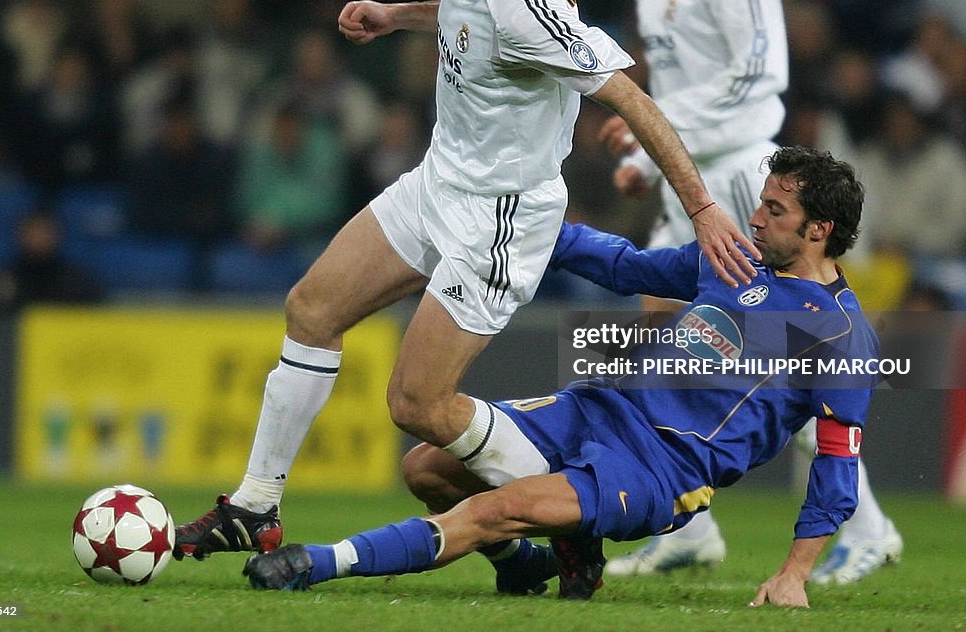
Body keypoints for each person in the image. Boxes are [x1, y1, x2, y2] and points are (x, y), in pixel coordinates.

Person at [172, 0, 759, 578]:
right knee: (312, 308)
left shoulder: (527, 6)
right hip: (438, 181)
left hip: (501, 216)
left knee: (418, 403)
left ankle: (568, 514)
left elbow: (630, 96)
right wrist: (398, 15)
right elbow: (465, 13)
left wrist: (700, 206)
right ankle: (256, 508)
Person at [243, 146, 877, 609]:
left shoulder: (842, 334)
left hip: (662, 469)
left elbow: (836, 464)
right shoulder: (732, 262)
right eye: (761, 203)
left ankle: (316, 563)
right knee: (426, 469)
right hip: (595, 411)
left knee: (495, 508)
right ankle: (530, 566)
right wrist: (533, 225)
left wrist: (795, 571)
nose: (757, 218)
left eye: (775, 209)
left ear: (819, 229)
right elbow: (627, 266)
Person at [596, 0, 900, 583]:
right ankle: (689, 525)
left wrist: (648, 129)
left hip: (736, 178)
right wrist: (649, 159)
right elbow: (684, 92)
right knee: (668, 355)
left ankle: (867, 527)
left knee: (772, 357)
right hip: (687, 181)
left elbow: (758, 79)